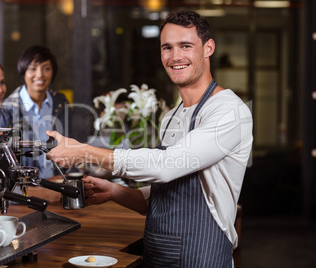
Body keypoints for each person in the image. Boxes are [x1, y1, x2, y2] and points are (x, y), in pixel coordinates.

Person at [46, 10, 253, 267]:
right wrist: (114, 191)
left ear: (208, 48)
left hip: (202, 257)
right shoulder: (171, 117)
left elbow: (166, 166)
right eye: (167, 47)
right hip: (157, 256)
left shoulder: (228, 111)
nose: (175, 56)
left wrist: (82, 151)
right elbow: (163, 193)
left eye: (185, 46)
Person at [0, 45, 72, 202]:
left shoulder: (60, 102)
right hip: (24, 193)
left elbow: (69, 144)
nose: (40, 75)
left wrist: (70, 176)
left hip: (57, 186)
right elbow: (1, 162)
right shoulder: (8, 108)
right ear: (23, 72)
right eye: (33, 68)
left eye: (46, 68)